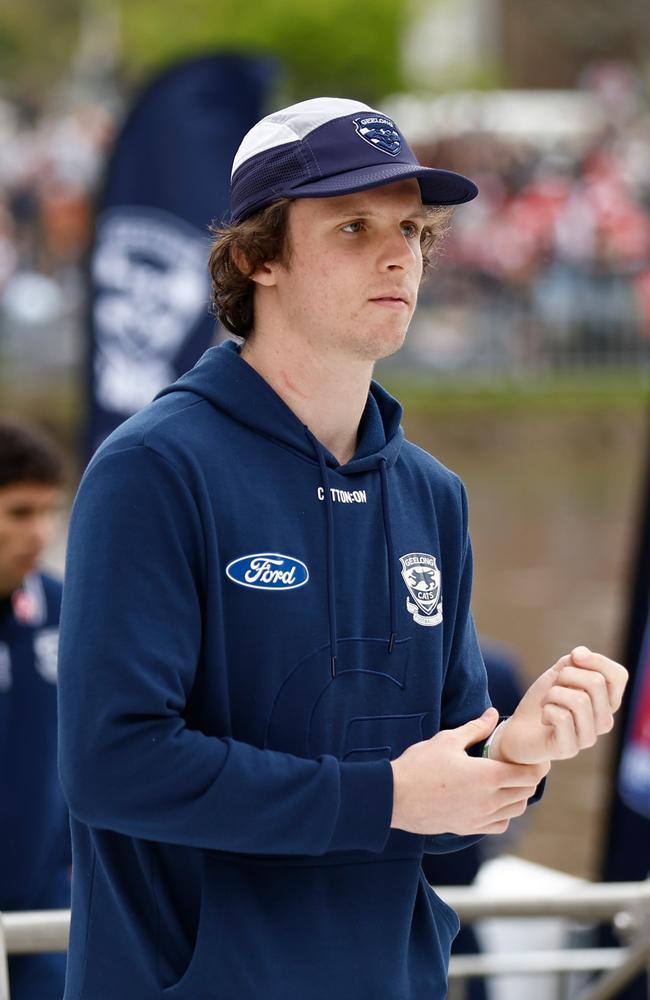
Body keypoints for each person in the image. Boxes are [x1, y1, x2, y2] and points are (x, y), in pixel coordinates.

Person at [57, 97, 628, 1000]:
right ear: (257, 257)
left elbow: (442, 814)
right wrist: (385, 799)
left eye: (410, 227)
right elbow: (112, 765)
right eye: (354, 226)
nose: (399, 253)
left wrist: (516, 756)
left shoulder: (432, 495)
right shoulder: (154, 469)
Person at [0, 419, 69, 1000]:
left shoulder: (64, 607)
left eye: (48, 512)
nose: (39, 533)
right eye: (20, 513)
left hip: (47, 900)